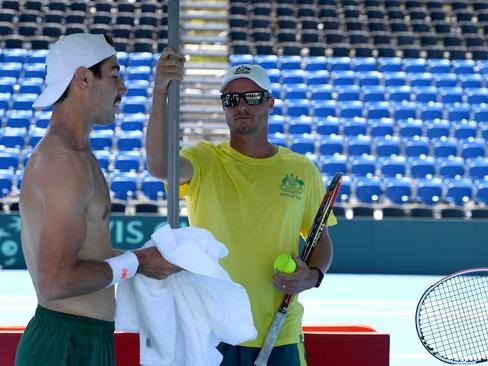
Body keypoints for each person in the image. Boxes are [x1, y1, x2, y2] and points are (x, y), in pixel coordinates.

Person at [146, 57, 335, 366]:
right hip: (212, 332)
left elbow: (321, 240)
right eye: (232, 99)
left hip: (279, 331)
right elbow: (158, 165)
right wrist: (159, 91)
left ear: (270, 103)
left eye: (253, 97)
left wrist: (313, 276)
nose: (242, 106)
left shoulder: (302, 170)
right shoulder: (204, 160)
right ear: (224, 107)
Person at [16, 33, 180, 366]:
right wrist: (138, 262)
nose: (123, 89)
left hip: (84, 338)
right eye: (115, 74)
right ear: (84, 78)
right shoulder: (64, 163)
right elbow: (54, 282)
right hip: (65, 341)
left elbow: (91, 256)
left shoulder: (77, 154)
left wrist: (143, 260)